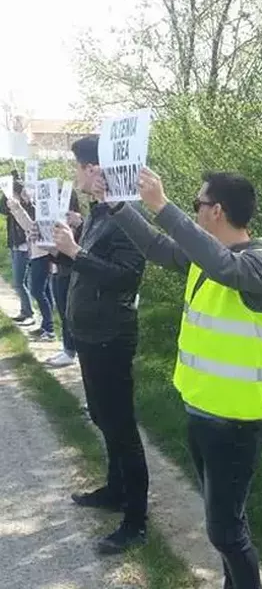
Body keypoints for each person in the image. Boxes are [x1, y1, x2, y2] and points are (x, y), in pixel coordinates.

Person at [93, 166, 262, 589]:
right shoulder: (208, 256)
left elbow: (222, 265)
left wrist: (161, 204)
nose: (195, 210)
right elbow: (160, 248)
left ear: (216, 211)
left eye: (198, 203)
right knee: (227, 522)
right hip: (202, 410)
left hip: (236, 421)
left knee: (224, 531)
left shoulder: (259, 265)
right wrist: (119, 206)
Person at [51, 135, 149, 555]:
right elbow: (88, 268)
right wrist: (64, 248)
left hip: (112, 335)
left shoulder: (128, 217)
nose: (76, 174)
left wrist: (76, 250)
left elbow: (127, 278)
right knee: (101, 415)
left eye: (78, 167)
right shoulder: (97, 213)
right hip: (90, 334)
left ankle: (136, 520)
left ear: (95, 169)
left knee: (122, 426)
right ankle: (114, 489)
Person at [4, 176, 56, 341]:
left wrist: (20, 207)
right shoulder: (37, 209)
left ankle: (49, 328)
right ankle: (46, 326)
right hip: (36, 254)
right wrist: (16, 208)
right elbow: (28, 226)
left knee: (37, 290)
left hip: (44, 255)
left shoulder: (46, 210)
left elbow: (32, 227)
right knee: (43, 291)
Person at [46, 187, 83, 367]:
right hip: (57, 270)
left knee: (69, 314)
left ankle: (70, 351)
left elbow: (77, 250)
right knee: (62, 311)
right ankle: (67, 348)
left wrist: (77, 224)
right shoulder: (57, 221)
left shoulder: (77, 221)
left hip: (70, 273)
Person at [0, 171, 35, 325]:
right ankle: (25, 310)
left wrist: (17, 182)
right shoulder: (11, 206)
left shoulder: (26, 206)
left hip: (23, 247)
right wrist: (5, 191)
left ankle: (28, 312)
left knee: (18, 282)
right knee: (22, 282)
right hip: (15, 245)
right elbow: (2, 208)